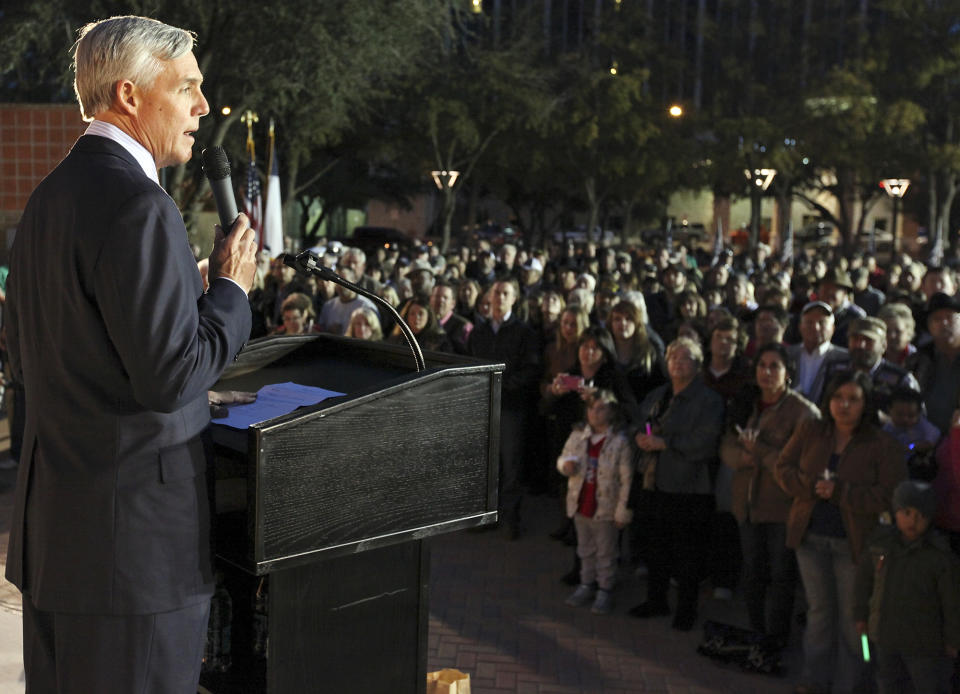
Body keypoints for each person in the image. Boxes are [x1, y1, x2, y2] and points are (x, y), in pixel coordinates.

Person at [4, 16, 258, 694]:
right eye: (189, 88)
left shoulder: (47, 201)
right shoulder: (139, 207)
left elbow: (39, 372)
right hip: (133, 563)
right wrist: (231, 290)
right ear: (129, 94)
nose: (203, 107)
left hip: (59, 543)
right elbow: (169, 376)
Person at [775, 371, 905, 694]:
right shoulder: (812, 429)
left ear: (866, 403)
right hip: (810, 537)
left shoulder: (881, 443)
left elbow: (890, 495)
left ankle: (853, 684)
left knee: (855, 620)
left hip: (855, 544)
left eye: (853, 399)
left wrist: (841, 492)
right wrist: (809, 486)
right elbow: (783, 467)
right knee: (819, 613)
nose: (844, 405)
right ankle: (814, 679)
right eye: (837, 398)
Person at [719, 343, 819, 647]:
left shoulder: (803, 413)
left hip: (782, 509)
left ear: (788, 373)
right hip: (747, 504)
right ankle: (756, 630)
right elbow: (726, 446)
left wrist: (760, 452)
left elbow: (803, 467)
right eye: (762, 365)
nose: (766, 372)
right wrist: (744, 458)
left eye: (774, 366)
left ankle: (776, 640)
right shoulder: (746, 403)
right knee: (752, 573)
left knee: (781, 577)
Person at [630, 337, 725, 631]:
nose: (677, 364)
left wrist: (664, 443)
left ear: (697, 366)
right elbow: (640, 421)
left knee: (688, 554)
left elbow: (705, 442)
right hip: (654, 482)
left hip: (690, 488)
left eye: (685, 359)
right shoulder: (659, 394)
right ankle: (656, 600)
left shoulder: (709, 400)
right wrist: (642, 436)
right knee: (656, 547)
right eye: (673, 358)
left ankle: (686, 609)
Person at [854, 481, 960, 694]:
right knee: (887, 682)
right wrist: (860, 615)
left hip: (924, 644)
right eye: (907, 512)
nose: (913, 521)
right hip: (885, 635)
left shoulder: (940, 557)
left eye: (921, 516)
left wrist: (953, 639)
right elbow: (864, 583)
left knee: (928, 685)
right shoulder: (880, 545)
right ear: (896, 512)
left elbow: (951, 601)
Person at [468, 280, 541, 538]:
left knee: (511, 465)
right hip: (483, 406)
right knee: (488, 463)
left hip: (511, 407)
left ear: (514, 299)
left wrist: (502, 385)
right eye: (496, 293)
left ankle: (512, 518)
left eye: (505, 293)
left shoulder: (524, 333)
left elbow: (531, 369)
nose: (499, 298)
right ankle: (488, 516)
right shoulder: (479, 332)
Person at [557, 390, 633, 616]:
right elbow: (564, 457)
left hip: (605, 508)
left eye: (601, 408)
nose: (594, 413)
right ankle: (586, 583)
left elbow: (626, 480)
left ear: (612, 412)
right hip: (581, 503)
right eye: (591, 408)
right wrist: (565, 466)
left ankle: (605, 588)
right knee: (585, 548)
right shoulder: (578, 435)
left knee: (606, 552)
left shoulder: (620, 443)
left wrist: (622, 510)